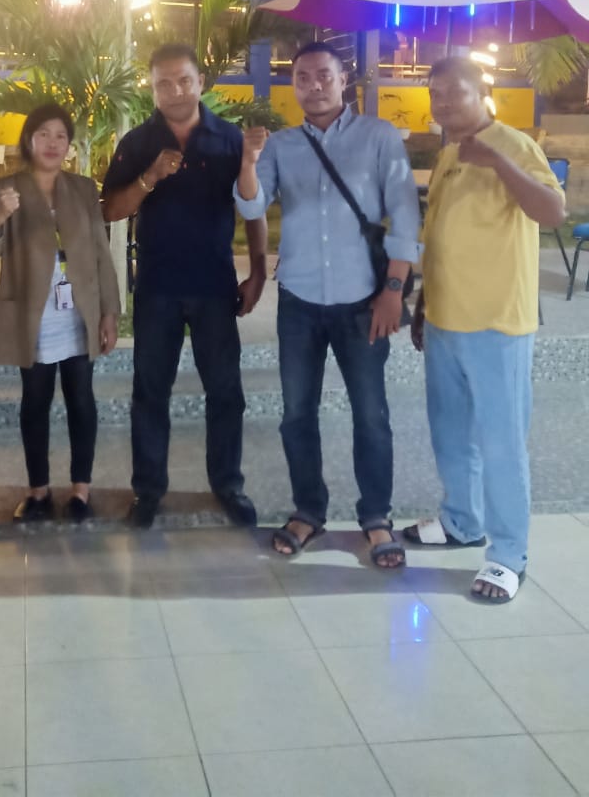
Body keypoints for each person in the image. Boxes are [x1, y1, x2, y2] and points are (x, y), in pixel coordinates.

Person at [236, 41, 421, 568]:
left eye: (323, 75)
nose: (313, 85)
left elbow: (404, 214)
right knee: (297, 414)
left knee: (371, 415)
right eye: (302, 77)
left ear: (344, 81)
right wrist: (248, 160)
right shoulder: (281, 145)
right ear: (292, 85)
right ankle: (308, 511)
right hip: (299, 300)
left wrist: (393, 290)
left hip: (364, 301)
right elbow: (251, 204)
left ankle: (376, 518)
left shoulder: (378, 136)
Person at [404, 56, 565, 603]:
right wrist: (424, 304)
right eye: (436, 93)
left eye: (456, 91)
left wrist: (497, 161)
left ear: (482, 93)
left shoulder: (512, 144)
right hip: (445, 321)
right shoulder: (449, 152)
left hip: (497, 323)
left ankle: (508, 555)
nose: (444, 102)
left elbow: (552, 211)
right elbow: (440, 235)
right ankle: (461, 521)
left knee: (501, 443)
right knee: (450, 434)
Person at [102, 44, 268, 529]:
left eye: (183, 81)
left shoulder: (230, 138)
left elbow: (253, 208)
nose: (175, 91)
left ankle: (228, 484)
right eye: (163, 83)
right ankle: (148, 490)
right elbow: (111, 210)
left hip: (215, 285)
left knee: (226, 391)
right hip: (158, 287)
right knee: (150, 393)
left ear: (200, 83)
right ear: (152, 88)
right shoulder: (137, 142)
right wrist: (150, 176)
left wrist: (258, 271)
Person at [0, 104, 120, 522]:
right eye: (44, 134)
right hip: (33, 313)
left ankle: (80, 491)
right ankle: (38, 492)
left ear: (68, 144)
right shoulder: (3, 190)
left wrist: (109, 312)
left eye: (60, 136)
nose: (53, 143)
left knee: (81, 399)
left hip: (79, 311)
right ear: (28, 140)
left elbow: (100, 253)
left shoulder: (83, 189)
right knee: (35, 401)